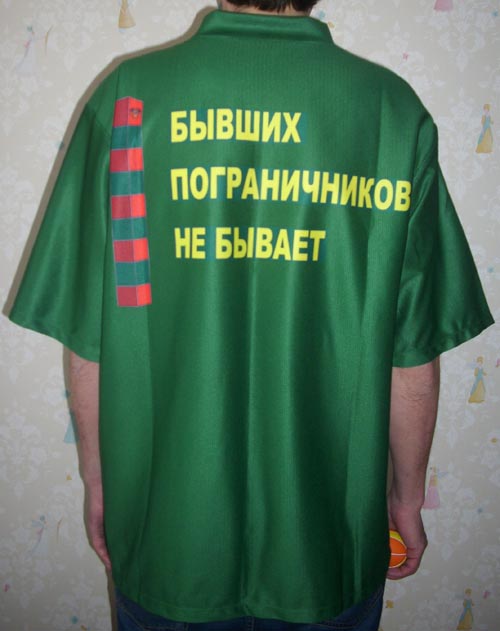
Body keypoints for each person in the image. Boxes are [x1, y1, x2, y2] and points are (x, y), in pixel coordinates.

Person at [8, 0, 494, 630]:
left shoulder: (129, 100)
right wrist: (406, 497)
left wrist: (100, 485)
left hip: (168, 544)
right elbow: (413, 357)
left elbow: (90, 342)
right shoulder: (389, 112)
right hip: (327, 550)